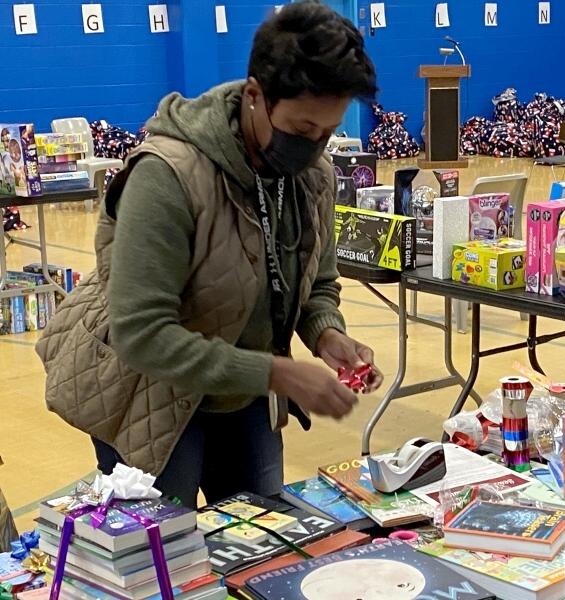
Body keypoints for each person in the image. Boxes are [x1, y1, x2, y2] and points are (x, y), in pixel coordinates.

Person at [36, 1, 382, 508]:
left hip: (242, 391)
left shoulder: (311, 177)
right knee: (166, 558)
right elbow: (142, 332)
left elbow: (316, 281)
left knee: (263, 537)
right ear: (255, 96)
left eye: (328, 133)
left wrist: (326, 332)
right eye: (304, 130)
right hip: (146, 394)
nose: (315, 147)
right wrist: (277, 372)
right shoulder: (167, 176)